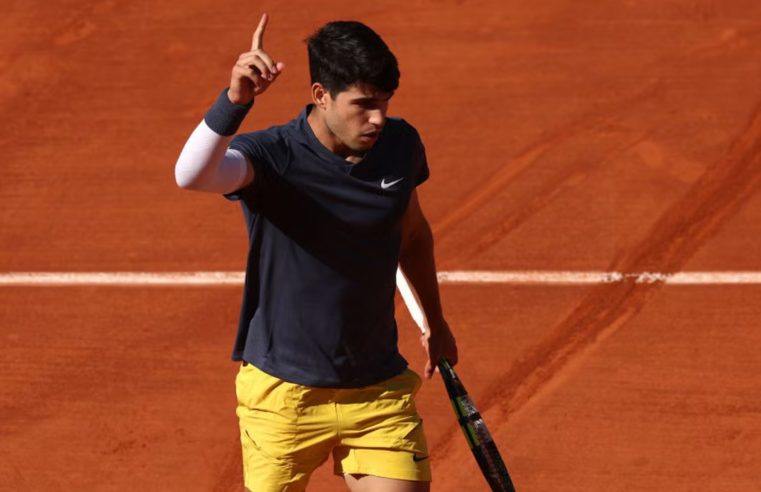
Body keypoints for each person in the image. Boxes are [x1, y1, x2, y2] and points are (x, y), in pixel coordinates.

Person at [175, 14, 458, 492]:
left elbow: (411, 235)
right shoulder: (273, 156)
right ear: (320, 94)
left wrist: (437, 321)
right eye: (364, 105)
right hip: (283, 396)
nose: (378, 119)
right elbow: (192, 175)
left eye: (385, 103)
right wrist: (234, 102)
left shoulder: (400, 145)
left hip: (375, 388)